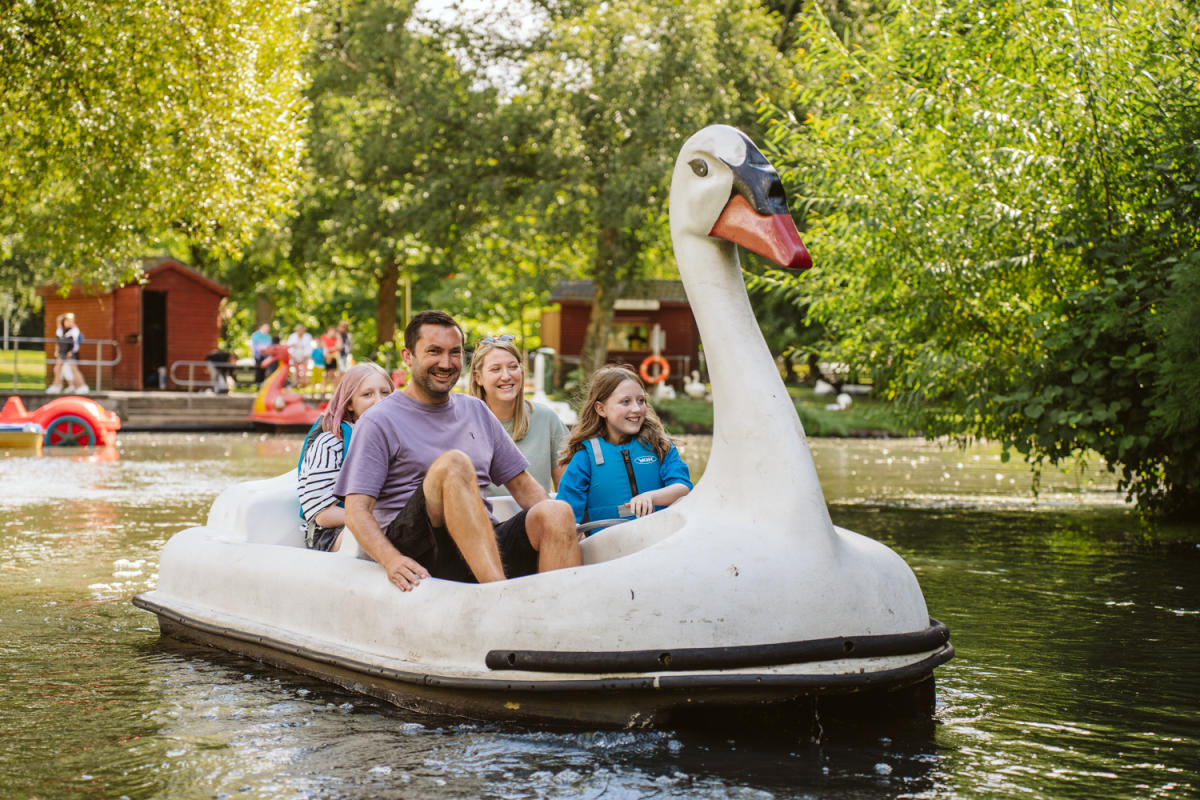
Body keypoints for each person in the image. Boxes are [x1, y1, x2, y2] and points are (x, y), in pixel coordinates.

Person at [334, 310, 580, 592]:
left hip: (482, 544)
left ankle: (560, 618)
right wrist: (392, 560)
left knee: (557, 512)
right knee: (454, 464)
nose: (446, 363)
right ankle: (500, 597)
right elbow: (355, 512)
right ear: (407, 356)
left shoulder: (475, 409)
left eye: (454, 353)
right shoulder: (378, 420)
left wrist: (567, 531)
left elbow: (523, 486)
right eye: (434, 351)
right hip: (422, 549)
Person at [556, 365, 692, 531]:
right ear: (601, 409)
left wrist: (651, 496)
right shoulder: (585, 457)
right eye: (625, 402)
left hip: (657, 537)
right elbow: (564, 514)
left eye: (641, 400)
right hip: (608, 545)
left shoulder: (660, 446)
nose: (636, 408)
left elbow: (683, 487)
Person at [297, 362, 394, 552]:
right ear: (350, 403)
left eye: (385, 393)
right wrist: (375, 520)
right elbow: (323, 514)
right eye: (367, 394)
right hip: (332, 532)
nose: (379, 401)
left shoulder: (396, 439)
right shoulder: (331, 444)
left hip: (384, 520)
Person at [468, 334, 568, 495]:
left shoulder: (547, 419)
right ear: (478, 377)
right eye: (495, 369)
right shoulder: (462, 424)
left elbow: (568, 493)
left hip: (537, 516)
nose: (506, 376)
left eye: (513, 367)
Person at [47, 312, 88, 394]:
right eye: (67, 321)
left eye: (70, 321)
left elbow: (75, 344)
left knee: (74, 369)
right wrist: (58, 351)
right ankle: (56, 386)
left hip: (70, 354)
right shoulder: (61, 330)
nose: (69, 323)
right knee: (58, 368)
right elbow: (58, 342)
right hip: (62, 353)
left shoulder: (74, 330)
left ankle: (82, 386)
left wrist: (71, 352)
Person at [286, 324, 313, 389]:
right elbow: (290, 347)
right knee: (296, 371)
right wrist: (292, 355)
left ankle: (304, 385)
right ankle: (295, 385)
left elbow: (309, 347)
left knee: (304, 371)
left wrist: (306, 355)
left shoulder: (307, 337)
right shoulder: (292, 336)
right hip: (295, 355)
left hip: (304, 356)